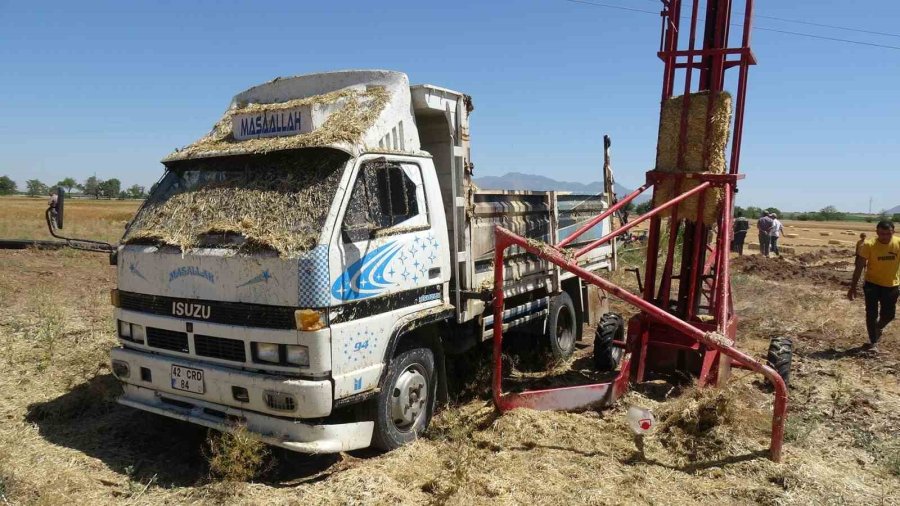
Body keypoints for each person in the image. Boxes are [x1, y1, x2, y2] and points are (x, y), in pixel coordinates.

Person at [848, 220, 900, 352]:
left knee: (889, 315)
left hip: (891, 284)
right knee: (871, 313)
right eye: (882, 234)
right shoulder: (869, 245)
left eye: (888, 234)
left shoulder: (898, 243)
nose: (885, 237)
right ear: (877, 232)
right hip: (872, 284)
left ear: (893, 232)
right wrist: (853, 286)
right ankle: (873, 342)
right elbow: (859, 266)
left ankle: (878, 327)